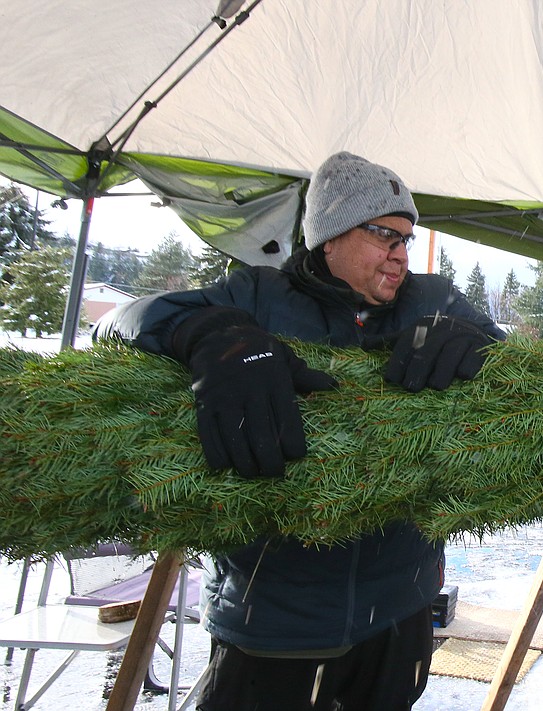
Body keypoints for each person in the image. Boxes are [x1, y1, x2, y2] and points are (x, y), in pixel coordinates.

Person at [96, 151, 506, 710]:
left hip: (398, 611)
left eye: (407, 239)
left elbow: (511, 358)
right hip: (272, 618)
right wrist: (214, 333)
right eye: (385, 235)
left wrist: (473, 340)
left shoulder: (434, 299)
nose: (401, 254)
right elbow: (116, 324)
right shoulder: (258, 296)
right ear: (330, 237)